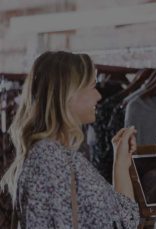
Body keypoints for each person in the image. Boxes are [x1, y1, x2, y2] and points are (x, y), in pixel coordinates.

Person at [0, 51, 140, 228]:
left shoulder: (49, 154)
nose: (98, 96)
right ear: (69, 93)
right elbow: (123, 221)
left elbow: (123, 219)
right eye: (92, 86)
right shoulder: (53, 159)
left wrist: (120, 161)